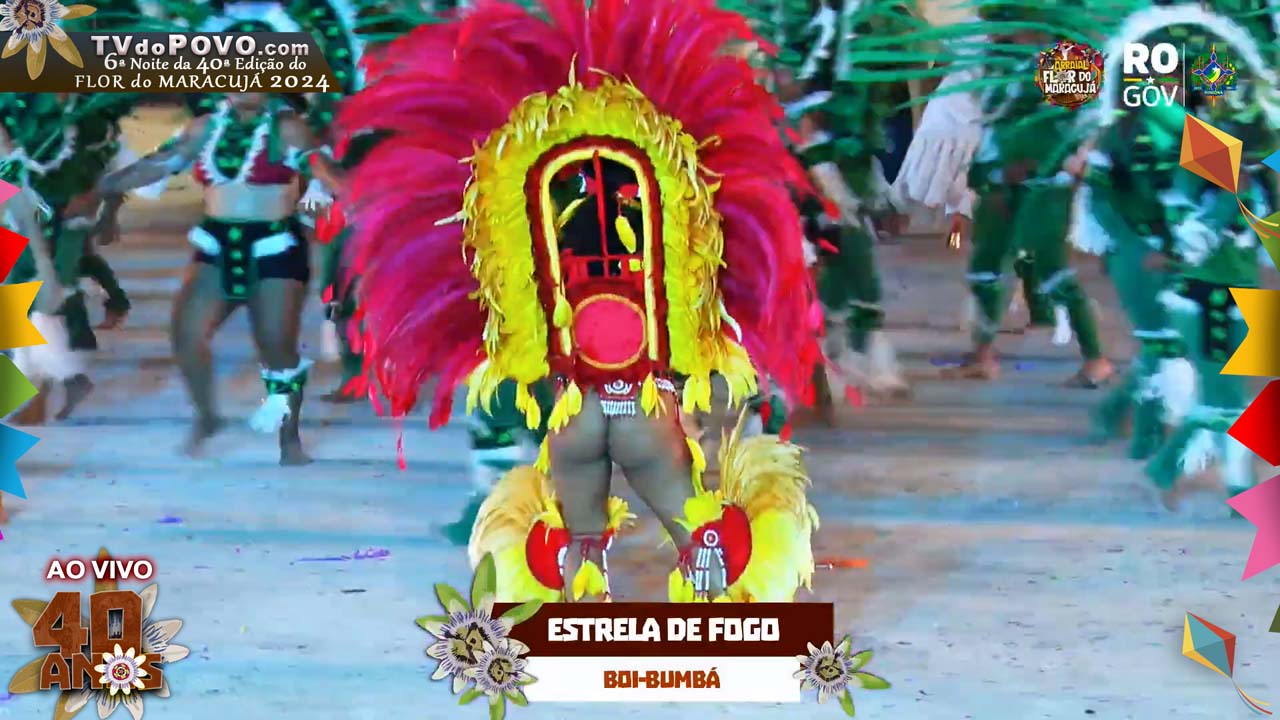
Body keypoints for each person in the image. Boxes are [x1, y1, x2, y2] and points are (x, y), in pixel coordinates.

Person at [339, 0, 819, 602]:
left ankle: (573, 613)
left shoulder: (544, 263)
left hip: (576, 415)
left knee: (579, 538)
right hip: (645, 410)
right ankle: (715, 609)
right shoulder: (662, 254)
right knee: (695, 531)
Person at [96, 92, 335, 464]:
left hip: (274, 244)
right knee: (187, 334)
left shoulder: (288, 128)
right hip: (216, 244)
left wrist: (363, 196)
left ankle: (289, 438)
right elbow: (161, 163)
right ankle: (207, 416)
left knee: (276, 345)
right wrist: (106, 185)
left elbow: (325, 172)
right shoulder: (205, 128)